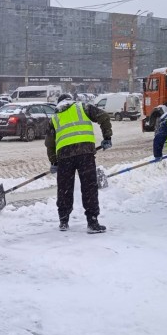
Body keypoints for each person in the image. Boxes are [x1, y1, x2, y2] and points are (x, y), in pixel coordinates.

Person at [45, 93, 112, 233]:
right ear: (70, 100)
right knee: (89, 187)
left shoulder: (54, 118)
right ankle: (92, 222)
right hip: (85, 153)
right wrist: (107, 137)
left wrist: (54, 162)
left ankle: (63, 221)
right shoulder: (83, 107)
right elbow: (104, 117)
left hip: (64, 157)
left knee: (64, 189)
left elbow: (50, 144)